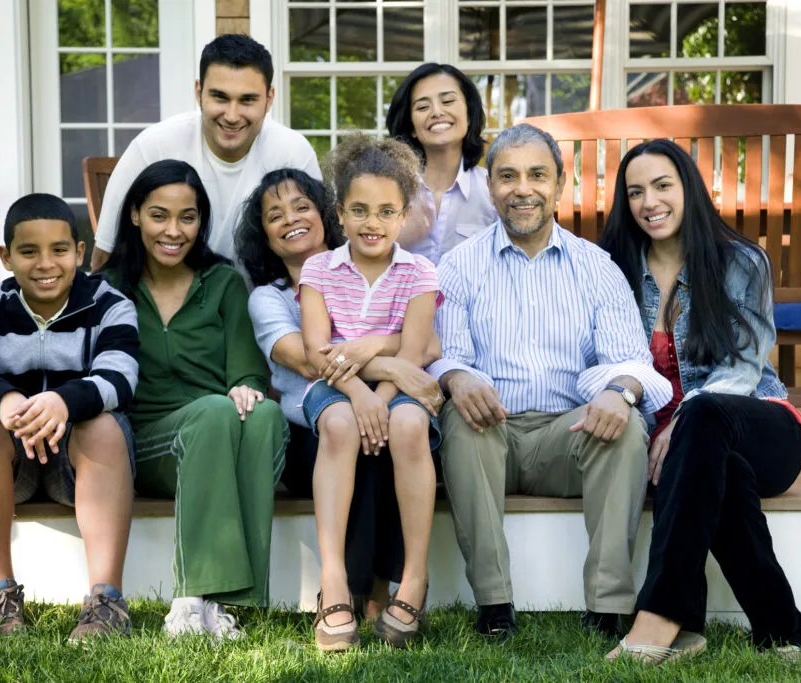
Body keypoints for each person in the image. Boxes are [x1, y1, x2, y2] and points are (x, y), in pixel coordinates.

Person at [0, 161, 287, 642]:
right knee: (215, 412)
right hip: (149, 438)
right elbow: (36, 314)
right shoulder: (107, 288)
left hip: (213, 430)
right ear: (134, 215)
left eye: (188, 218)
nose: (173, 231)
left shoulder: (222, 283)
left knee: (264, 414)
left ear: (201, 222)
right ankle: (193, 600)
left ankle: (230, 601)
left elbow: (246, 370)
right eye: (159, 215)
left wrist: (246, 384)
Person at [430, 124, 673, 642]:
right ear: (490, 185)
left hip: (569, 438)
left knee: (625, 424)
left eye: (537, 175)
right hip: (489, 435)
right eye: (508, 176)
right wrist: (455, 377)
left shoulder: (597, 267)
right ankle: (495, 605)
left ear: (559, 184)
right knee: (459, 410)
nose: (523, 188)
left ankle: (607, 607)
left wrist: (620, 390)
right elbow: (441, 356)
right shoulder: (458, 266)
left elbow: (632, 362)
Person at [599, 139, 801, 664]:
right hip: (689, 456)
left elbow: (743, 367)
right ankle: (779, 628)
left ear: (689, 188)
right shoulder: (616, 270)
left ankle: (664, 616)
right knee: (725, 477)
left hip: (760, 424)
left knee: (704, 417)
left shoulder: (741, 260)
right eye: (635, 192)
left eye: (663, 185)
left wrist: (681, 420)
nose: (650, 201)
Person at [236, 168, 443, 625]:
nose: (291, 219)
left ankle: (383, 589)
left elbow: (428, 345)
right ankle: (350, 590)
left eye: (300, 206)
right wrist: (388, 363)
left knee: (386, 435)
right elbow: (311, 359)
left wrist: (370, 349)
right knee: (351, 431)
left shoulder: (398, 270)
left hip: (370, 404)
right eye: (275, 215)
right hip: (308, 421)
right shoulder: (270, 298)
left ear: (324, 215)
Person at [0, 194, 140, 642]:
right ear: (6, 256)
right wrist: (6, 400)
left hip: (80, 463)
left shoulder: (110, 305)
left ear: (79, 253)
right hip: (9, 466)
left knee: (107, 424)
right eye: (28, 252)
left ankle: (107, 599)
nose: (46, 263)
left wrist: (65, 402)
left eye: (60, 250)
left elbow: (121, 374)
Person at [298, 136, 443, 650]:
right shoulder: (319, 270)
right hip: (335, 390)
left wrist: (379, 394)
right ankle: (334, 580)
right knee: (338, 426)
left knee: (409, 424)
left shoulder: (420, 272)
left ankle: (415, 578)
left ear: (404, 216)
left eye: (385, 211)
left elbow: (416, 349)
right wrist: (360, 396)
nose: (371, 222)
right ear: (339, 213)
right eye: (358, 210)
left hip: (393, 390)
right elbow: (319, 352)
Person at [89, 34, 321, 270]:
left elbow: (320, 254)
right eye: (220, 97)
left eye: (247, 100)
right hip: (169, 302)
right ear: (198, 91)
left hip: (267, 299)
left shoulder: (293, 152)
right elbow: (105, 257)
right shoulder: (154, 147)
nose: (231, 116)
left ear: (269, 99)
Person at [386, 63, 497, 264]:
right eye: (422, 106)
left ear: (469, 115)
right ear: (411, 126)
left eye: (447, 101)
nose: (437, 112)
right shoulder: (386, 190)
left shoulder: (493, 192)